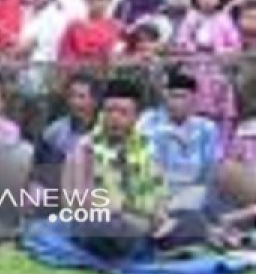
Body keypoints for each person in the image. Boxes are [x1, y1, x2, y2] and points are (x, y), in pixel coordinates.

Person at [62, 78, 188, 260]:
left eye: (123, 112)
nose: (114, 117)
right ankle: (151, 246)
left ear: (136, 117)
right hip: (97, 220)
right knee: (107, 226)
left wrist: (159, 215)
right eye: (109, 111)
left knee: (189, 218)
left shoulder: (144, 147)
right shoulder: (85, 148)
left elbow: (158, 191)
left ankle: (152, 242)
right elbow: (79, 202)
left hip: (140, 221)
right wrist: (130, 212)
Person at [137, 70, 220, 212]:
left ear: (194, 99)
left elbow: (210, 168)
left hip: (193, 190)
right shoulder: (149, 120)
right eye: (171, 96)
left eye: (181, 97)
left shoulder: (207, 128)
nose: (175, 102)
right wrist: (168, 132)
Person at [174, 0, 240, 140]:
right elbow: (181, 41)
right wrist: (194, 47)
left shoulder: (224, 19)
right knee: (193, 112)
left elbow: (235, 45)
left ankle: (220, 148)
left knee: (221, 114)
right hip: (194, 71)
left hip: (218, 73)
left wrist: (218, 50)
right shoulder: (191, 18)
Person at [57, 0, 124, 68]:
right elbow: (63, 57)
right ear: (85, 0)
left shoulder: (116, 27)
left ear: (109, 0)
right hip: (79, 76)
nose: (95, 3)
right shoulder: (74, 26)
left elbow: (121, 56)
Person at [40, 72, 99, 168]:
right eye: (72, 96)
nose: (75, 102)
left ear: (95, 101)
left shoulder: (104, 131)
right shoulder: (54, 131)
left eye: (81, 97)